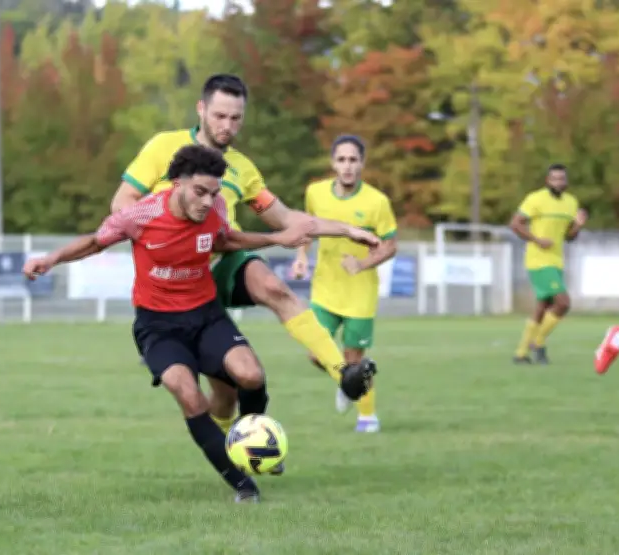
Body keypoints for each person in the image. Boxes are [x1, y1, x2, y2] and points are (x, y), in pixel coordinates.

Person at [24, 145, 376, 502]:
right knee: (189, 395)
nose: (208, 201)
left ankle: (253, 444)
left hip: (206, 315)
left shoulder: (215, 209)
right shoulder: (141, 215)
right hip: (158, 326)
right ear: (177, 183)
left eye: (214, 192)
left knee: (251, 375)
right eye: (200, 192)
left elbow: (226, 240)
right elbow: (94, 243)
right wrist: (51, 258)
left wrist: (276, 239)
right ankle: (242, 485)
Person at [110, 73, 379, 438]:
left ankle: (342, 373)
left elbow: (286, 220)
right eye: (220, 116)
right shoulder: (163, 147)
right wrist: (163, 237)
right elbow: (122, 202)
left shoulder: (243, 168)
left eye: (236, 118)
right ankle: (228, 451)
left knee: (274, 287)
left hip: (224, 260)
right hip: (179, 284)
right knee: (225, 394)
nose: (227, 126)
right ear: (201, 109)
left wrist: (347, 229)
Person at [292, 135, 398, 433]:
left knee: (354, 359)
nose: (347, 166)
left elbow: (390, 246)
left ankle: (367, 418)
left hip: (360, 295)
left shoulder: (377, 202)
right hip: (325, 290)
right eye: (341, 160)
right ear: (332, 163)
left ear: (362, 163)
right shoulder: (315, 193)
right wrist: (301, 256)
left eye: (353, 160)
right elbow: (308, 229)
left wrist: (362, 264)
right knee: (316, 352)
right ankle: (346, 382)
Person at [510, 164, 587, 364]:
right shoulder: (535, 199)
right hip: (538, 260)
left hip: (556, 260)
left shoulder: (571, 202)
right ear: (547, 180)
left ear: (566, 181)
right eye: (554, 178)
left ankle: (520, 353)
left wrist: (577, 225)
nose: (558, 182)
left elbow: (570, 237)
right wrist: (536, 240)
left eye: (562, 178)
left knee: (544, 305)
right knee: (563, 303)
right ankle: (538, 340)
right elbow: (515, 224)